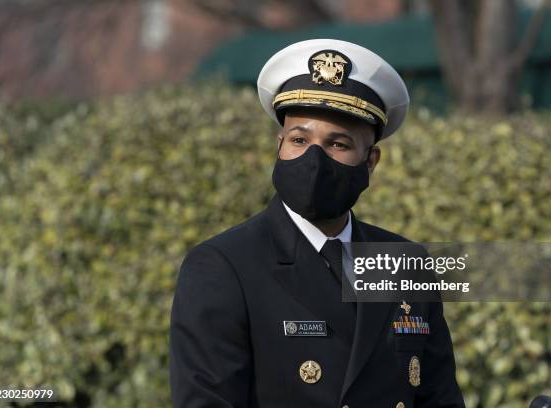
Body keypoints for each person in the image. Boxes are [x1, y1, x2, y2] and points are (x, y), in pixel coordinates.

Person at [170, 39, 464, 408]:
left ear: (370, 161)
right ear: (279, 146)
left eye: (338, 144)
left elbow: (439, 399)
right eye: (299, 139)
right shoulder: (222, 267)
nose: (313, 159)